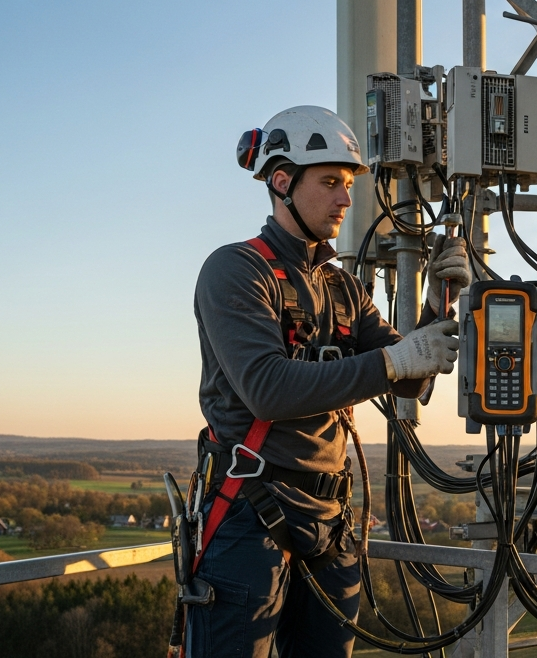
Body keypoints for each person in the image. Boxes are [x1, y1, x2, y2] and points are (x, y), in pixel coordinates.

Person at [186, 105, 468, 658]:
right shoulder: (237, 271)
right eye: (331, 182)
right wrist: (398, 361)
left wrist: (438, 308)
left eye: (348, 184)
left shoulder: (340, 287)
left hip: (330, 519)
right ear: (283, 182)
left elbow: (407, 379)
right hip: (253, 513)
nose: (345, 198)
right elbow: (268, 389)